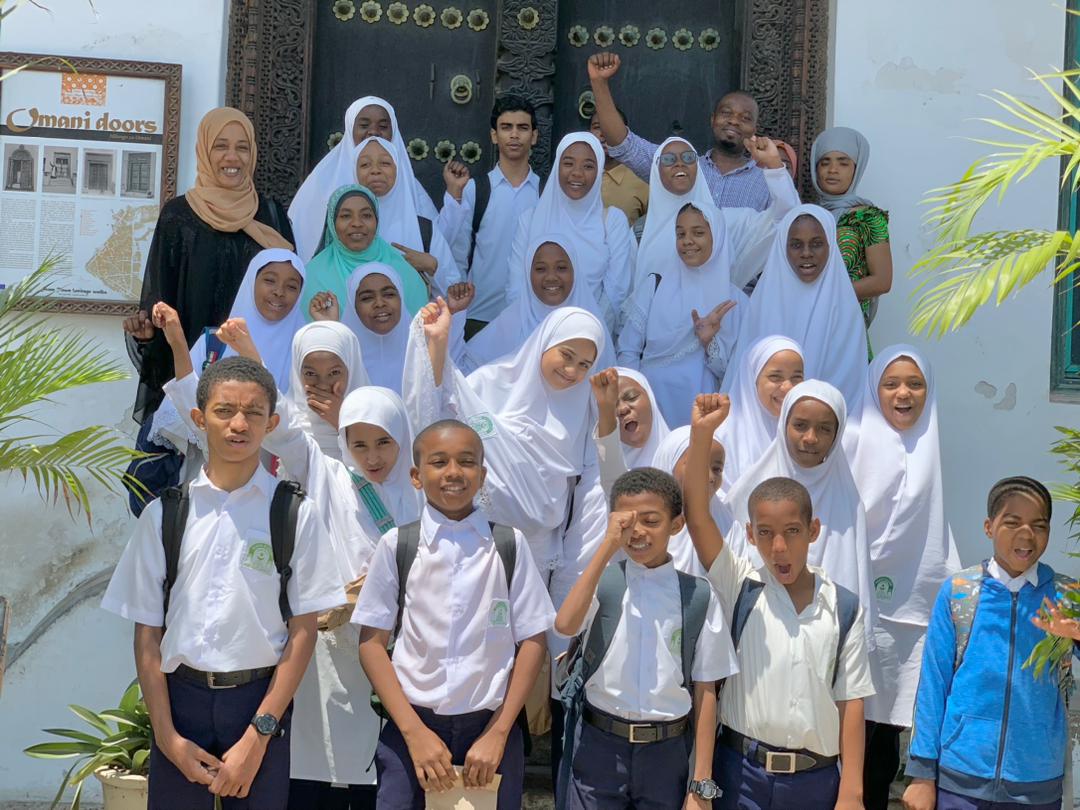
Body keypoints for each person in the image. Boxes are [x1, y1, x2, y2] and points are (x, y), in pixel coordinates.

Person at [100, 357, 344, 810]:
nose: (239, 424)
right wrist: (168, 737)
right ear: (199, 418)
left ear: (271, 422)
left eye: (253, 413)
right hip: (180, 702)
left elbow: (303, 630)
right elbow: (148, 634)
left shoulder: (293, 513)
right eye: (224, 410)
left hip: (259, 702)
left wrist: (259, 735)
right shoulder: (166, 514)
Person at [685, 393, 874, 810]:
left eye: (791, 530)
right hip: (741, 774)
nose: (780, 547)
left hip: (815, 781)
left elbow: (852, 701)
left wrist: (852, 791)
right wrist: (702, 434)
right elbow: (697, 514)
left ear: (814, 530)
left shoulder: (842, 607)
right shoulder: (740, 586)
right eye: (766, 533)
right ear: (750, 536)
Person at [354, 419, 555, 809]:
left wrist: (498, 732)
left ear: (482, 474)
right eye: (438, 462)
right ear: (416, 475)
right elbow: (372, 644)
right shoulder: (398, 545)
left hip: (490, 729)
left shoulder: (509, 545)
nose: (453, 472)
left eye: (466, 462)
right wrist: (414, 734)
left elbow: (533, 640)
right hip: (412, 728)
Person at [554, 468, 737, 810]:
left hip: (666, 754)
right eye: (627, 523)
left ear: (676, 525)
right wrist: (607, 545)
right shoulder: (603, 582)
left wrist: (701, 783)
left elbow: (706, 690)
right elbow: (565, 624)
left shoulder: (697, 595)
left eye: (651, 521)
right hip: (599, 748)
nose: (637, 532)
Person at [903, 476, 1080, 810]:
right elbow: (932, 685)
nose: (1026, 535)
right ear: (989, 526)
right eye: (1012, 523)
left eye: (1039, 525)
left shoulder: (1066, 596)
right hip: (961, 780)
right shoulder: (959, 592)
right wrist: (923, 774)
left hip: (1036, 784)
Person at [841, 346, 960, 810]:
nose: (904, 393)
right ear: (874, 389)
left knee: (888, 725)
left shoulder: (929, 440)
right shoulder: (852, 437)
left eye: (915, 384)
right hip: (855, 594)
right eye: (891, 383)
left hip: (912, 602)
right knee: (850, 720)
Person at [124, 107, 294, 425]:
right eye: (221, 146)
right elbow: (160, 301)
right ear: (204, 150)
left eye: (242, 147)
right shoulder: (179, 217)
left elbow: (290, 292)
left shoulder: (272, 216)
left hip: (259, 373)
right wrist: (149, 333)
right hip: (193, 377)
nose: (232, 157)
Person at [405, 302, 604, 570]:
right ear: (544, 343)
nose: (572, 371)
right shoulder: (490, 382)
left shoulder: (583, 406)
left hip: (539, 551)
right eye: (566, 355)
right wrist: (438, 342)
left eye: (584, 364)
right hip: (479, 539)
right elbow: (439, 408)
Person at [724, 380, 875, 621]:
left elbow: (855, 584)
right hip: (761, 628)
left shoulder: (847, 503)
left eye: (825, 429)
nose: (811, 438)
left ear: (838, 434)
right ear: (784, 425)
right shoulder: (750, 491)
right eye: (800, 425)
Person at [725, 204, 867, 409]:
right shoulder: (763, 304)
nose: (806, 253)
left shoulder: (846, 311)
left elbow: (849, 386)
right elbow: (744, 379)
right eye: (796, 245)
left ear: (830, 246)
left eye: (817, 244)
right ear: (782, 247)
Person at [588, 51, 770, 211]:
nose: (734, 121)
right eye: (726, 113)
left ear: (755, 128)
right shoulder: (678, 167)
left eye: (745, 118)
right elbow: (625, 145)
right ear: (713, 119)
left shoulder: (767, 183)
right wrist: (599, 83)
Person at [618, 203, 747, 425]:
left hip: (703, 412)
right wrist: (634, 398)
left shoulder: (734, 302)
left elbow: (735, 374)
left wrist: (709, 342)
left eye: (698, 233)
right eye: (680, 233)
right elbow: (628, 350)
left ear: (717, 236)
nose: (687, 241)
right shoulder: (654, 286)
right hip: (650, 406)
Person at [631, 134, 799, 299]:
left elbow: (787, 220)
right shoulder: (640, 232)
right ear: (656, 169)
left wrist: (774, 166)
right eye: (668, 159)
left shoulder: (725, 224)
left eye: (689, 157)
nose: (680, 164)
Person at [504, 132, 635, 335]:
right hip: (532, 335)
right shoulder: (530, 220)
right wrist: (540, 337)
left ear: (600, 169)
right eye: (568, 163)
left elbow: (615, 292)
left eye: (588, 166)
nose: (577, 173)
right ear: (557, 166)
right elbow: (516, 288)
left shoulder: (612, 222)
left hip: (591, 338)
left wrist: (583, 335)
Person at [289, 95, 441, 262]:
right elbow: (301, 241)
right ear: (350, 128)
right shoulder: (321, 183)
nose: (373, 132)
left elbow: (440, 247)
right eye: (364, 125)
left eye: (383, 126)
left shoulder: (408, 186)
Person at [439, 95, 541, 339]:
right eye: (506, 127)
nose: (514, 135)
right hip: (479, 314)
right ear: (494, 135)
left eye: (522, 128)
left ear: (534, 136)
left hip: (532, 314)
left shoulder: (546, 191)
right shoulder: (476, 189)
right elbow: (458, 253)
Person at [461, 235, 613, 373]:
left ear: (575, 272)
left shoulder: (591, 330)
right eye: (541, 269)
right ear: (528, 274)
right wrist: (456, 315)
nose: (551, 277)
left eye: (561, 268)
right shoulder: (510, 323)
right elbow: (466, 372)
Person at [300, 184, 430, 319]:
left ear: (377, 221)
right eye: (346, 216)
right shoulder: (313, 275)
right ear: (332, 223)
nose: (357, 223)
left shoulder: (403, 270)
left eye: (366, 215)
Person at [351, 137, 461, 297]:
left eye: (385, 163)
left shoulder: (424, 229)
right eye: (365, 164)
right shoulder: (341, 228)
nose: (375, 170)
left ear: (399, 170)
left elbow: (454, 293)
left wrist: (432, 267)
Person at [811, 127, 892, 326]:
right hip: (807, 321)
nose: (832, 170)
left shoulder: (869, 218)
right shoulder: (808, 217)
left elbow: (882, 281)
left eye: (843, 163)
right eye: (825, 162)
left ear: (857, 168)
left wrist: (827, 295)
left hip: (847, 325)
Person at [715, 335, 805, 489]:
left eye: (796, 378)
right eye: (775, 377)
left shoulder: (808, 433)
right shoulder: (722, 438)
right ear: (752, 379)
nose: (788, 387)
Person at [589, 109, 649, 226]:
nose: (603, 133)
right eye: (597, 127)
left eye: (611, 127)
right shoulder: (576, 177)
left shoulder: (641, 180)